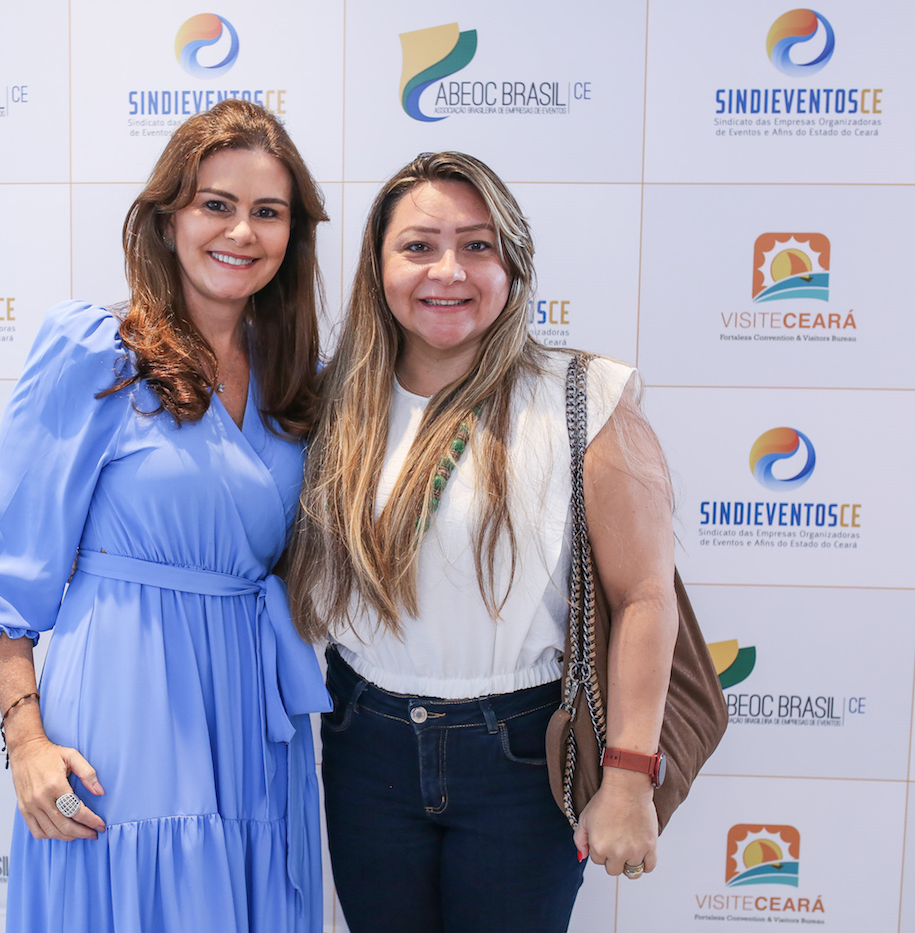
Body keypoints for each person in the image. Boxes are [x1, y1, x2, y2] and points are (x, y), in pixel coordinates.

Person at [0, 98, 331, 933]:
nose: (242, 231)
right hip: (128, 701)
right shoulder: (96, 352)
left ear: (293, 235)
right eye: (216, 204)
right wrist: (25, 740)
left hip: (255, 717)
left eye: (268, 211)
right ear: (167, 219)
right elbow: (6, 572)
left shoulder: (300, 378)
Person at [283, 152, 677, 933]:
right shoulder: (330, 401)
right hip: (363, 743)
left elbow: (644, 596)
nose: (448, 270)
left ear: (513, 265)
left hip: (521, 755)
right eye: (419, 246)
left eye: (477, 245)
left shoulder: (582, 396)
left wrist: (630, 776)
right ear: (378, 267)